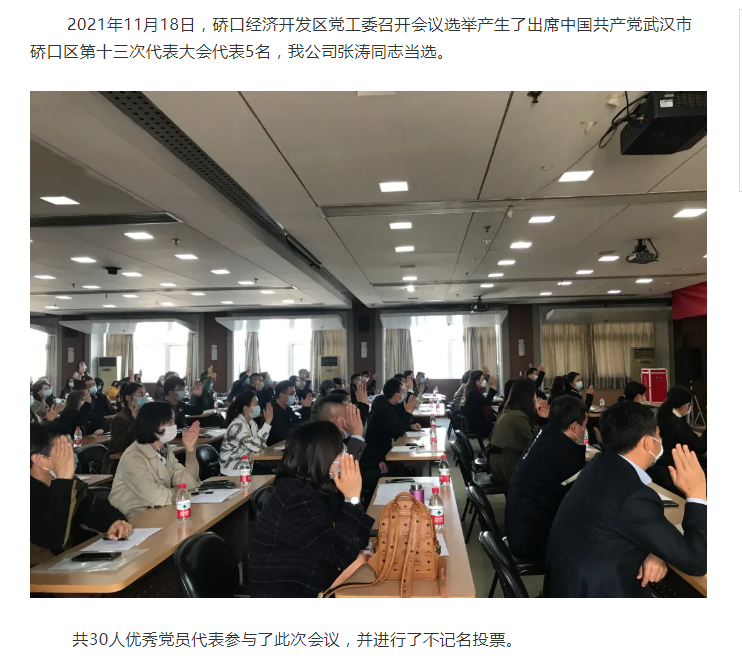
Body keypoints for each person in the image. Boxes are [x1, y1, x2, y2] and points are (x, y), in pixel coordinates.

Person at [544, 401, 707, 597]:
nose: (660, 441)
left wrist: (656, 549)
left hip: (568, 586)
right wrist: (697, 495)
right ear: (647, 442)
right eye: (658, 435)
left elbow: (620, 526)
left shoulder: (598, 466)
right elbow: (696, 561)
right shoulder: (633, 497)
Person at [249, 421, 374, 597]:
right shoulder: (296, 501)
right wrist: (352, 499)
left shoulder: (311, 486)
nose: (345, 456)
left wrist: (349, 496)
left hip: (313, 581)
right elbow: (341, 557)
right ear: (322, 457)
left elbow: (353, 538)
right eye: (341, 450)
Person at [30, 424, 132, 566]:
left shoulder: (68, 482)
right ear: (38, 460)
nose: (71, 457)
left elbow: (92, 507)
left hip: (69, 561)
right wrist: (63, 482)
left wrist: (115, 521)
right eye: (63, 452)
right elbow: (53, 539)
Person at [505, 396, 588, 560]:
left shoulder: (543, 433)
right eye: (585, 425)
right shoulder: (566, 455)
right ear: (574, 426)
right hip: (533, 540)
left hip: (518, 525)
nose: (585, 430)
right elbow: (582, 499)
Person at [109, 403, 201, 518]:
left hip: (159, 510)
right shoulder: (133, 456)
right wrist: (180, 491)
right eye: (169, 422)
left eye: (173, 421)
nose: (174, 426)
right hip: (132, 516)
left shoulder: (164, 449)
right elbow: (156, 497)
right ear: (153, 425)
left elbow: (190, 483)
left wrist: (190, 450)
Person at [361, 378, 421, 501]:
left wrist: (410, 425)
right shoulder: (383, 411)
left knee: (409, 471)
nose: (404, 393)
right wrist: (408, 413)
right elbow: (397, 430)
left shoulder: (389, 405)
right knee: (408, 474)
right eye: (402, 391)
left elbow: (398, 421)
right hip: (377, 457)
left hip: (382, 452)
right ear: (397, 395)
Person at [489, 378, 549, 488]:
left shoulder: (510, 411)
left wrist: (538, 416)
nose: (536, 398)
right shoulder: (518, 417)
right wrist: (544, 420)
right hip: (508, 467)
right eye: (534, 395)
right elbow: (534, 448)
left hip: (499, 463)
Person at [651, 386, 707, 491]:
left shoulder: (662, 416)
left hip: (660, 468)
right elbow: (700, 446)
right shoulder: (675, 423)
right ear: (686, 405)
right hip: (672, 471)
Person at [219, 391, 274, 473]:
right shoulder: (237, 426)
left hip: (247, 466)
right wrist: (267, 422)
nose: (258, 407)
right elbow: (256, 446)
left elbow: (260, 443)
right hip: (233, 469)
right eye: (256, 404)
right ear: (246, 408)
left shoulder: (252, 423)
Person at [314, 393, 367, 458]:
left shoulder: (344, 440)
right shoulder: (326, 449)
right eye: (350, 415)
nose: (355, 418)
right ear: (337, 421)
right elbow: (349, 463)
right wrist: (357, 436)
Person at [266, 380, 313, 445]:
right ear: (282, 395)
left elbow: (300, 423)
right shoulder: (272, 410)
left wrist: (306, 408)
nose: (294, 396)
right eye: (291, 394)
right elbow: (284, 433)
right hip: (275, 445)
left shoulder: (287, 408)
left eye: (294, 393)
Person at [107, 382, 146, 458]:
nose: (144, 398)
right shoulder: (119, 419)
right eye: (141, 394)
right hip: (120, 460)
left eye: (144, 394)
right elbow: (123, 445)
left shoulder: (144, 415)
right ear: (129, 398)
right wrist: (136, 422)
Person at [461, 369, 499, 440]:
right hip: (477, 424)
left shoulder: (473, 389)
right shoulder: (473, 393)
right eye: (482, 379)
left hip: (476, 421)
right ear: (477, 381)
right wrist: (493, 387)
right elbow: (487, 401)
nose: (484, 381)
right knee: (499, 428)